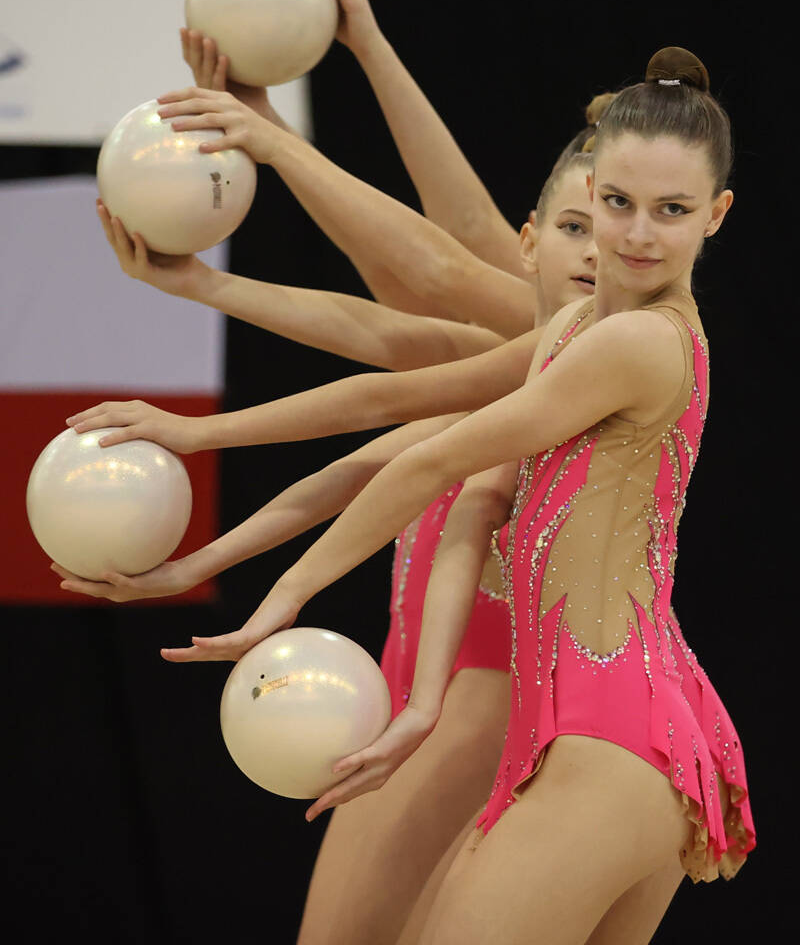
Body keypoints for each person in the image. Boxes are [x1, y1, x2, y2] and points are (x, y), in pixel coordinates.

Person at [129, 47, 754, 942]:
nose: (635, 235)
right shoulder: (578, 329)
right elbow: (394, 394)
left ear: (717, 214)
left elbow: (428, 455)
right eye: (616, 204)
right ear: (589, 192)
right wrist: (195, 435)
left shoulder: (637, 344)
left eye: (672, 211)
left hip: (612, 735)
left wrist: (281, 599)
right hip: (609, 730)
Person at [61, 113, 604, 945]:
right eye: (575, 227)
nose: (596, 252)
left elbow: (428, 290)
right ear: (531, 243)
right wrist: (196, 562)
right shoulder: (520, 359)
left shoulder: (587, 371)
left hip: (480, 702)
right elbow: (373, 392)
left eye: (623, 224)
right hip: (430, 690)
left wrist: (281, 139)